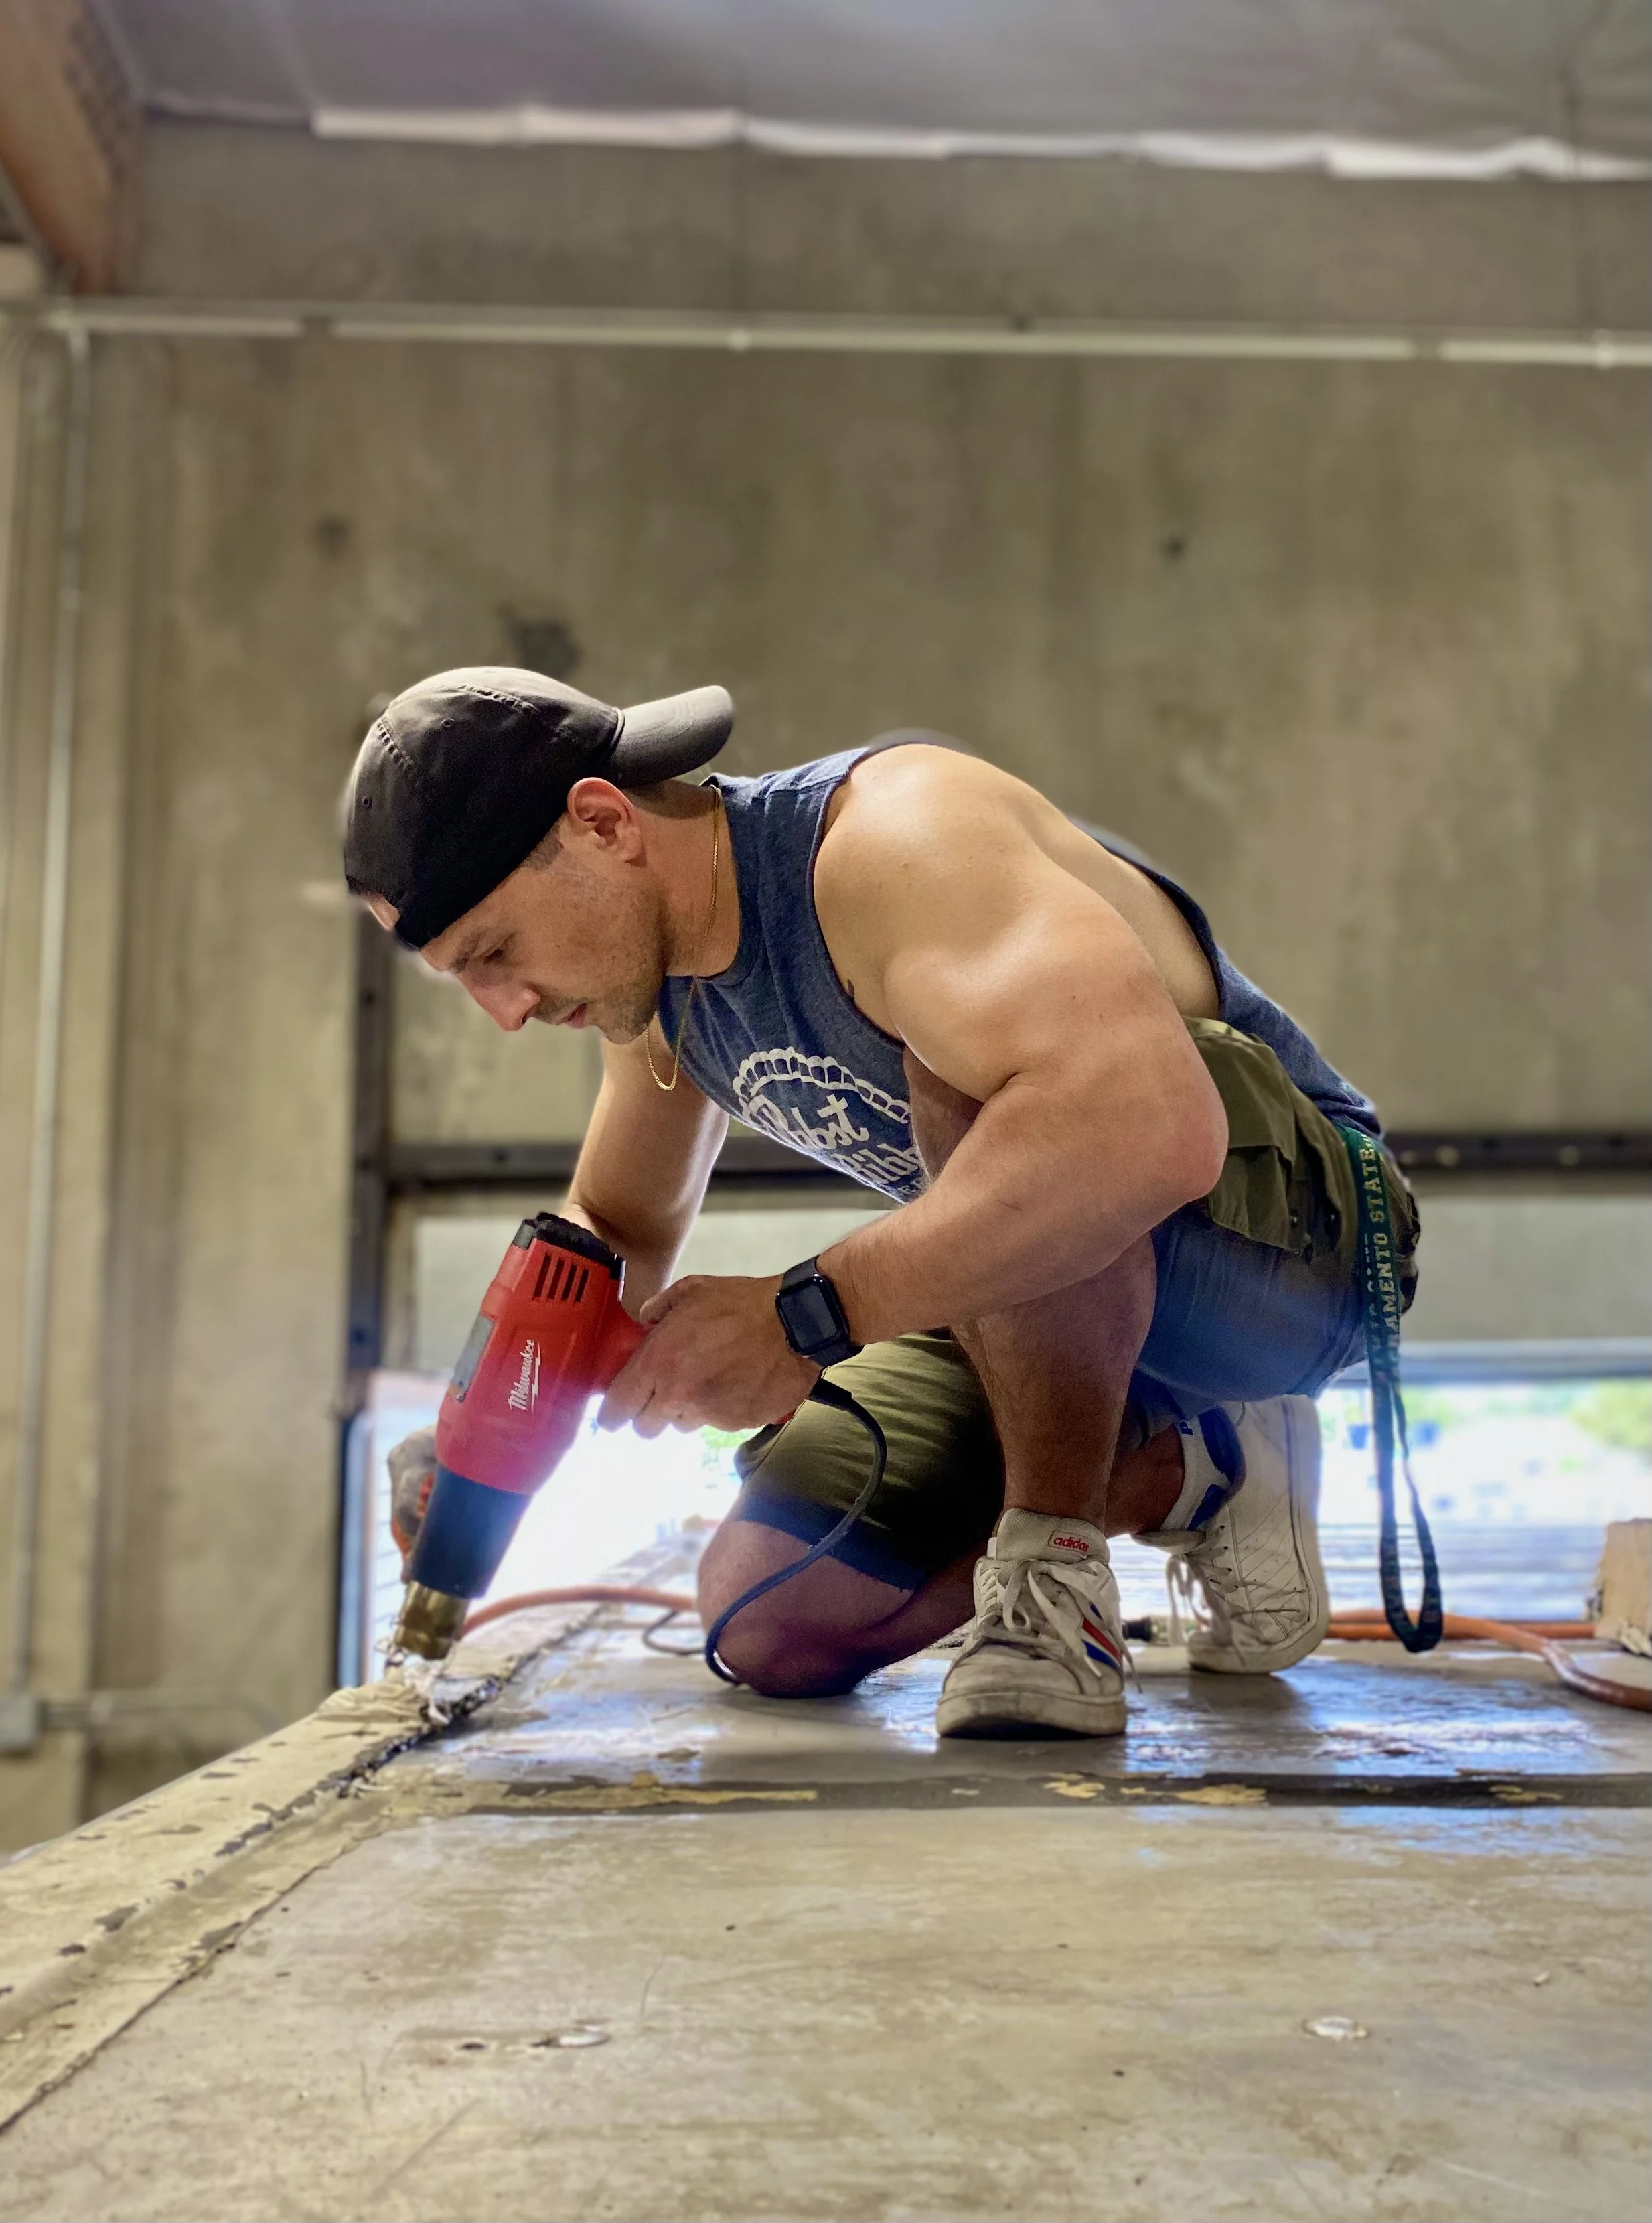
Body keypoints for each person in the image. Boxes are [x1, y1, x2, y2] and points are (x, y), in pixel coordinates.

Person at [346, 667, 1418, 1738]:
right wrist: (486, 1425)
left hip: (1298, 1245)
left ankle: (1052, 1573)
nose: (505, 1010)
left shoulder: (891, 843)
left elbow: (1136, 1126)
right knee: (771, 1613)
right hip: (1055, 1284)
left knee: (982, 1078)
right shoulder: (656, 1002)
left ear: (601, 823)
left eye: (495, 953)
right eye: (463, 978)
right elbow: (613, 1236)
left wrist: (802, 1316)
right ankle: (1199, 1470)